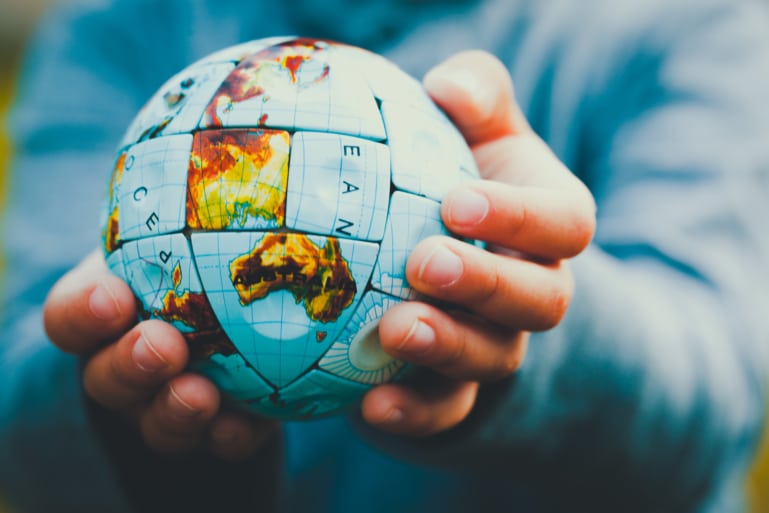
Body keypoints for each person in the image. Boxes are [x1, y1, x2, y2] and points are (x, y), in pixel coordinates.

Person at [2, 0, 769, 511]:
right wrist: (95, 398)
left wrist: (521, 315)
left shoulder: (691, 18)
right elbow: (19, 403)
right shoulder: (119, 25)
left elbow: (715, 392)